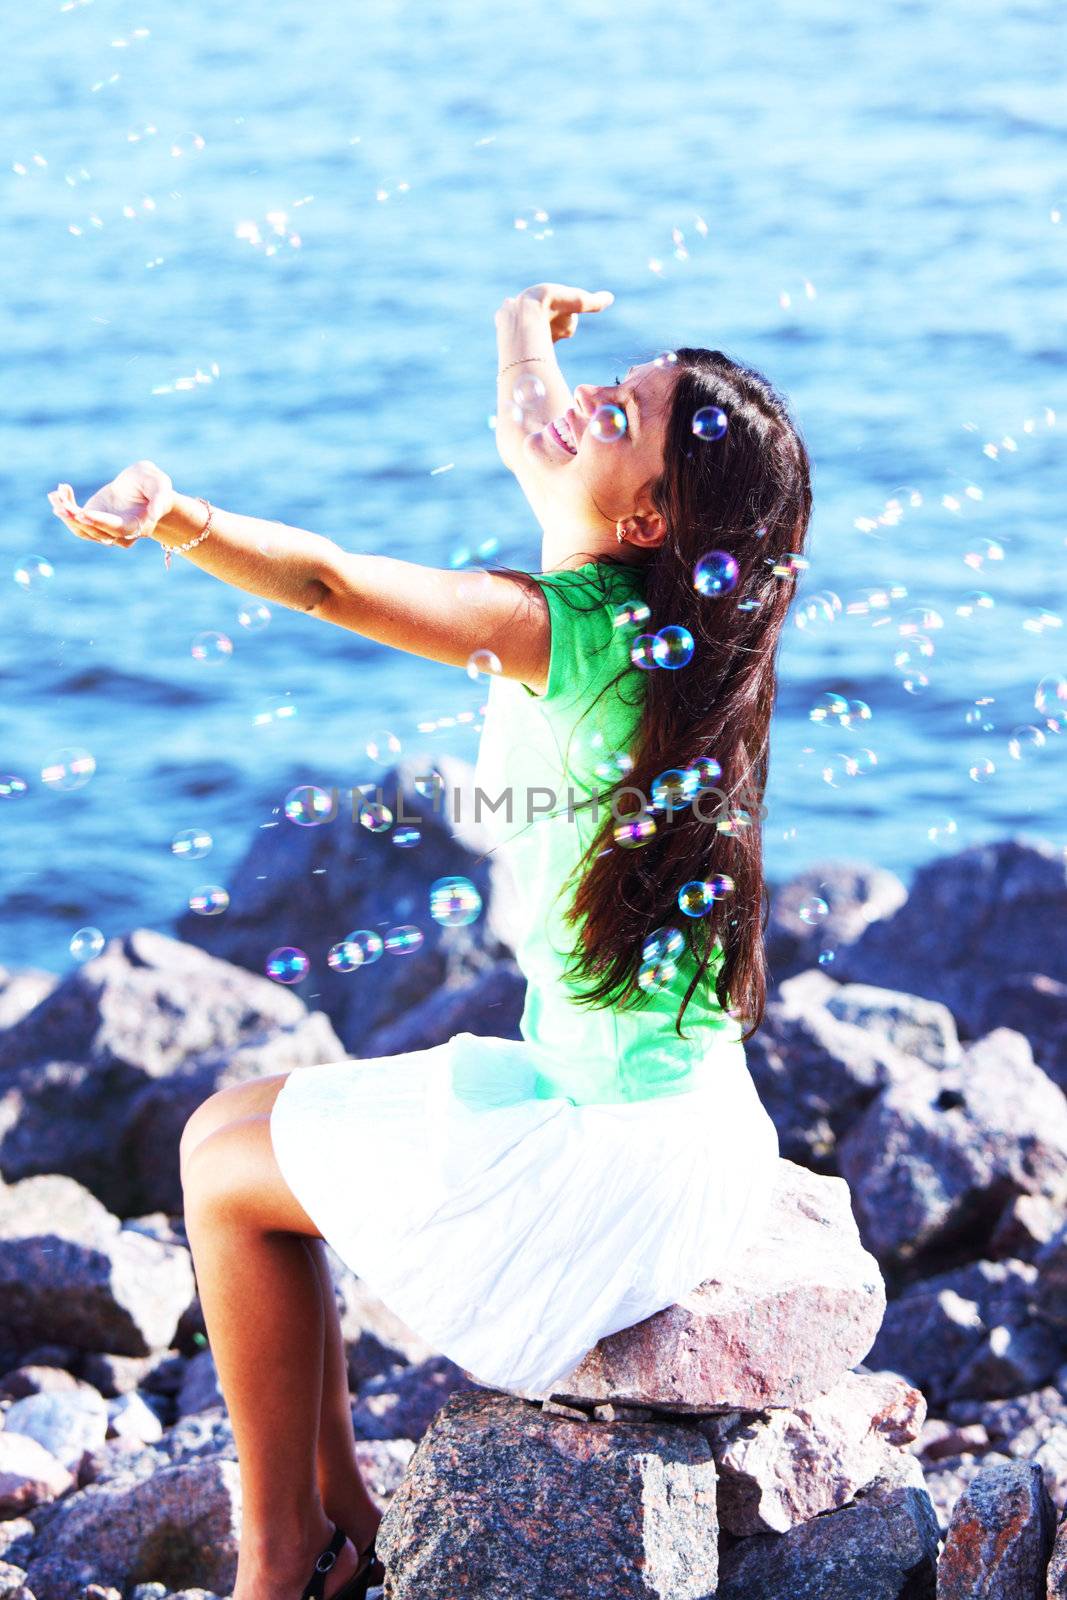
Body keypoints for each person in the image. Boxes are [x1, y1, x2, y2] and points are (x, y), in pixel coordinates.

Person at [46, 281, 813, 1600]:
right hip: (679, 1119)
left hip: (610, 1166)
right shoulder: (666, 631)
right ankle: (344, 1518)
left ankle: (285, 1559)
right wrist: (525, 328)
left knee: (225, 1184)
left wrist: (178, 516)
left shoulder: (571, 635)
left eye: (611, 412)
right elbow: (534, 424)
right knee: (225, 1131)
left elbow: (338, 583)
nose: (571, 409)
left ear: (641, 519)